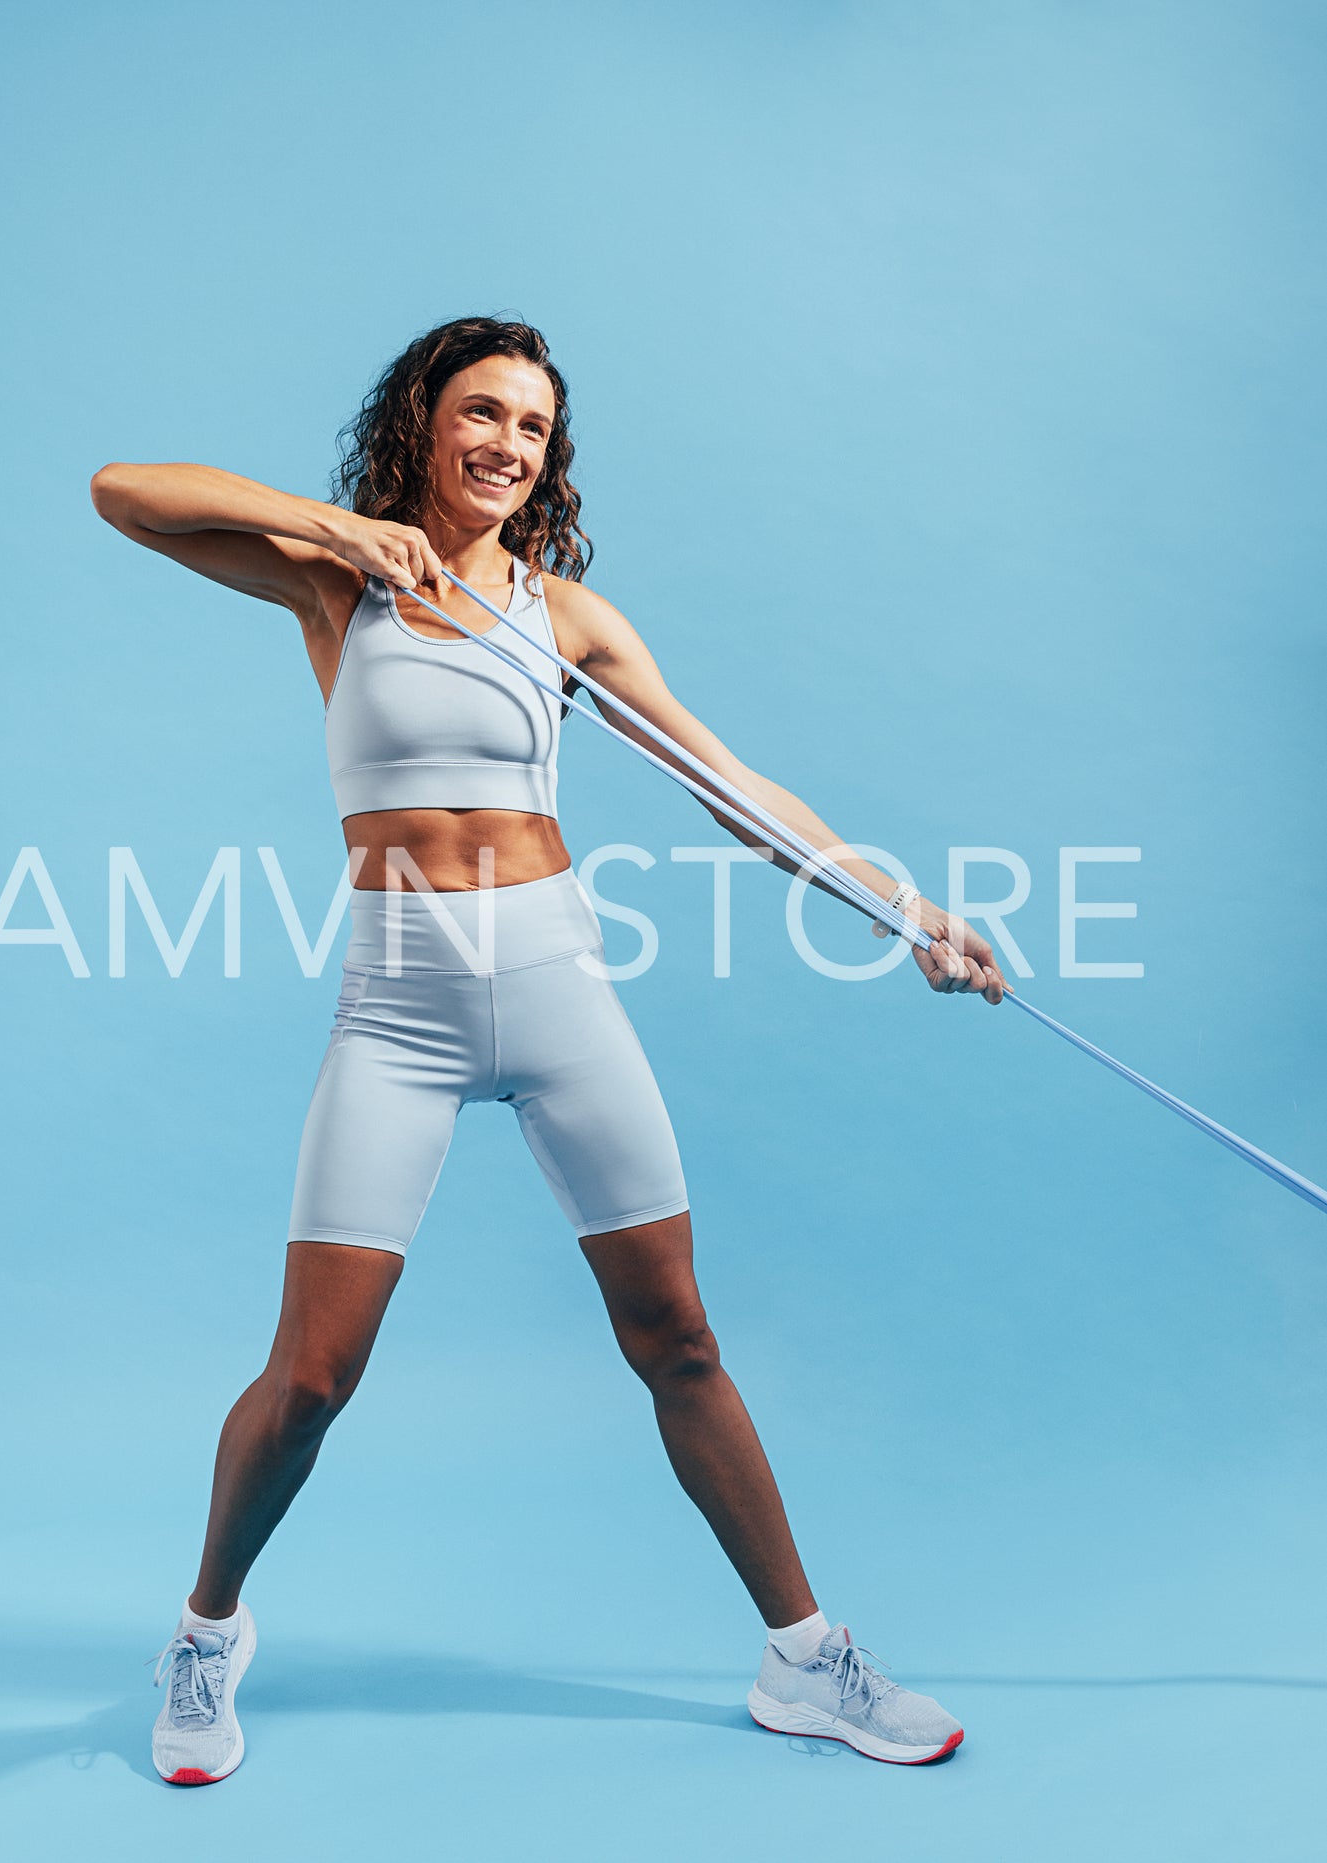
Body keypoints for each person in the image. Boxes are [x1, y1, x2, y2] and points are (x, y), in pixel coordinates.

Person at [90, 315, 1005, 1786]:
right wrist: (336, 524)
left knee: (679, 1339)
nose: (507, 444)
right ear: (422, 423)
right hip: (396, 1007)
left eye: (532, 427)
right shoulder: (334, 583)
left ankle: (803, 1658)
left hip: (560, 984)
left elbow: (736, 788)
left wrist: (907, 913)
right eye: (481, 413)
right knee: (313, 1376)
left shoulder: (566, 620)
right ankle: (204, 1631)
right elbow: (123, 490)